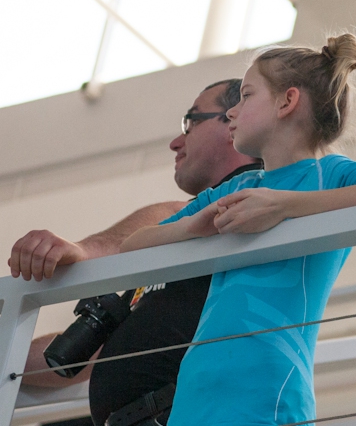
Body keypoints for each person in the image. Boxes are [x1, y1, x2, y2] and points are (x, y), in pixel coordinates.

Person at [119, 33, 356, 426]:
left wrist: (284, 206)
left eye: (246, 96)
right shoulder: (239, 187)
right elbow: (133, 247)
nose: (232, 112)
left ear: (287, 101)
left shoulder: (331, 173)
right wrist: (194, 227)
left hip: (269, 386)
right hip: (196, 386)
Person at [13, 79, 262, 426]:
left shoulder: (257, 201)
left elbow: (164, 218)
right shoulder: (180, 247)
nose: (176, 142)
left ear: (235, 121)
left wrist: (83, 251)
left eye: (190, 122)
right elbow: (87, 353)